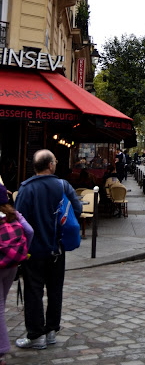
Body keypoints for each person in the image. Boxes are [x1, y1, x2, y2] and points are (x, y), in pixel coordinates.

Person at [15, 149, 82, 350]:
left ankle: (36, 335)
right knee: (55, 290)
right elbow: (77, 210)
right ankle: (52, 330)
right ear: (51, 165)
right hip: (56, 248)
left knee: (33, 291)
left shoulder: (26, 188)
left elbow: (19, 221)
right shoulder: (62, 185)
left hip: (33, 250)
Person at [0, 184, 33, 365]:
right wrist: (23, 251)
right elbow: (30, 231)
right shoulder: (14, 214)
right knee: (2, 304)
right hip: (12, 264)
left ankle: (1, 350)